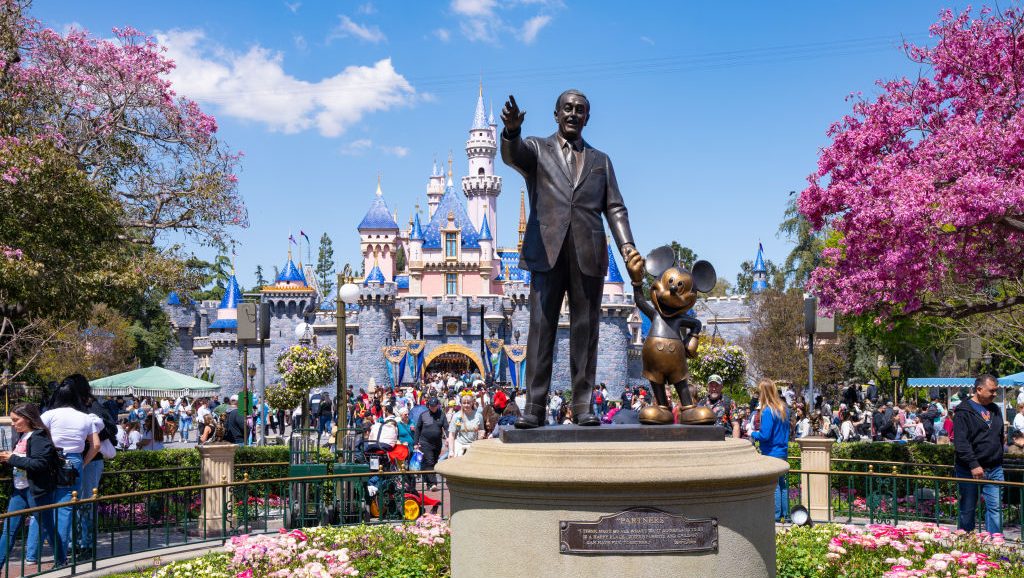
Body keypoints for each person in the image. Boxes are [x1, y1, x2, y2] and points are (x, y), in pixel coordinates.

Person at [500, 89, 637, 428]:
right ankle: (533, 407)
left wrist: (627, 247)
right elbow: (512, 155)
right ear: (556, 114)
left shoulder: (601, 160)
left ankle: (583, 405)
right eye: (568, 109)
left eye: (580, 110)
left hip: (588, 253)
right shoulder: (536, 149)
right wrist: (512, 132)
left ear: (587, 117)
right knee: (540, 328)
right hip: (546, 251)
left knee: (586, 330)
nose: (574, 114)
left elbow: (615, 207)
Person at [29, 383, 101, 566]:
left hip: (51, 460)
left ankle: (32, 553)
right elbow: (96, 445)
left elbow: (35, 436)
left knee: (43, 505)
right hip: (74, 461)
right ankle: (60, 556)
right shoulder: (86, 418)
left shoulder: (49, 415)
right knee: (66, 508)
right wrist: (83, 463)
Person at [0, 403, 62, 569]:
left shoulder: (39, 437)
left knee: (48, 527)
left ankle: (61, 560)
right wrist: (8, 459)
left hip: (36, 491)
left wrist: (12, 458)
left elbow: (40, 464)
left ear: (27, 419)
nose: (13, 424)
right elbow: (22, 461)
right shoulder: (22, 436)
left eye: (15, 420)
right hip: (19, 490)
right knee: (9, 530)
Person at [953, 374, 1005, 535]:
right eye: (992, 391)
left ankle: (995, 542)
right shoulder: (963, 411)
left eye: (996, 390)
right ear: (979, 389)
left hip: (994, 467)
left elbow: (999, 435)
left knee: (995, 507)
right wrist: (974, 464)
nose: (995, 394)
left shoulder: (995, 409)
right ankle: (967, 540)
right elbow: (961, 443)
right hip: (969, 469)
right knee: (968, 507)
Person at [750, 379, 790, 523]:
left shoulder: (768, 411)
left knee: (775, 485)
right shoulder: (784, 408)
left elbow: (765, 435)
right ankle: (786, 515)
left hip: (771, 452)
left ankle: (776, 516)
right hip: (782, 451)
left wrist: (752, 433)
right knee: (782, 484)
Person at [413, 397, 448, 492]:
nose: (432, 408)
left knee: (433, 462)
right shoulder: (423, 415)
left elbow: (446, 427)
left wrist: (448, 438)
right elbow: (418, 429)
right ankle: (433, 484)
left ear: (438, 405)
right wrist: (416, 443)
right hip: (425, 442)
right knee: (430, 461)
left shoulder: (442, 414)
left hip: (437, 443)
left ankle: (428, 481)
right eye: (430, 406)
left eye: (434, 406)